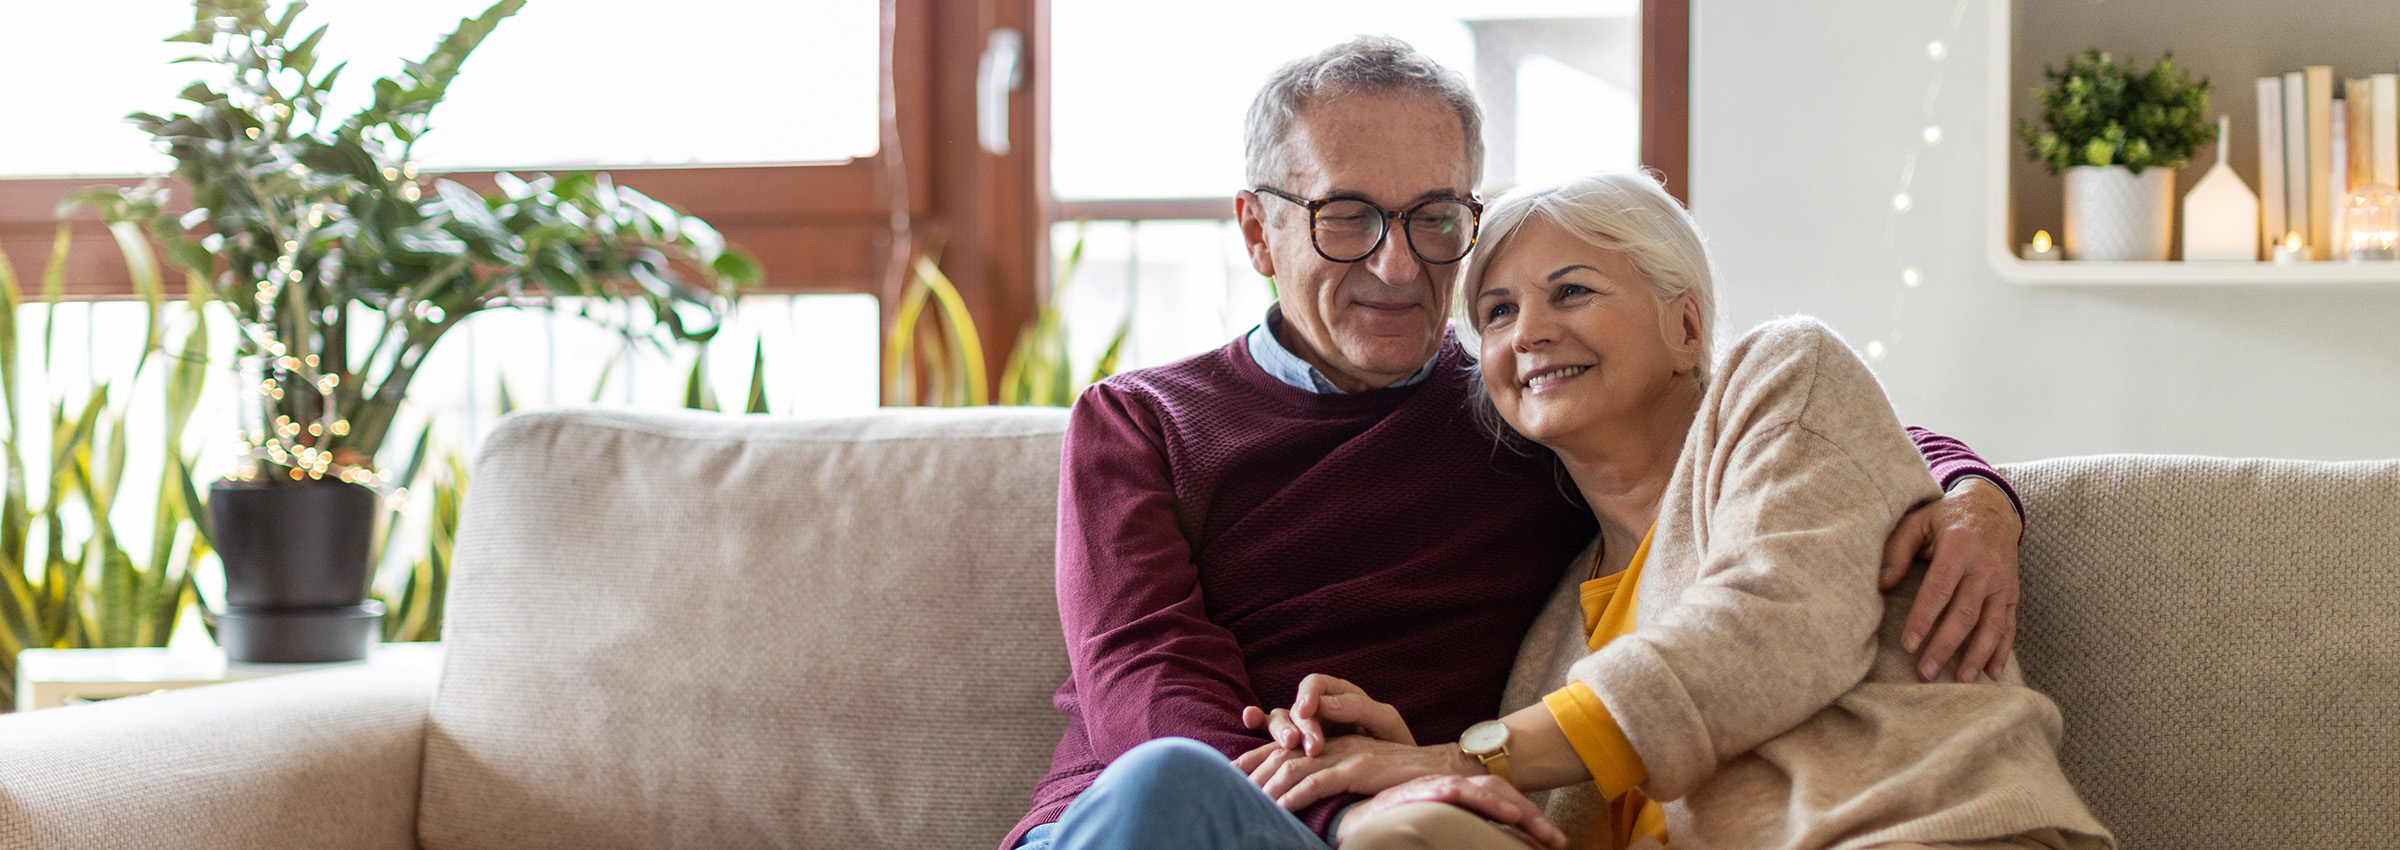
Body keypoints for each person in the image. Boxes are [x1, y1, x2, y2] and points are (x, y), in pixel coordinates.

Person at [1005, 37, 2031, 850]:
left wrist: (1972, 492)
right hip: (1174, 812)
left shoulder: (1520, 402)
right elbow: (1148, 679)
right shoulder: (1141, 420)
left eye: (1435, 218)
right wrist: (1344, 803)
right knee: (1165, 785)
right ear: (1255, 230)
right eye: (1348, 217)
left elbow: (1783, 427)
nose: (1399, 264)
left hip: (1415, 823)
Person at [1238, 171, 2111, 850]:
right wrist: (1422, 774)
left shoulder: (1782, 379)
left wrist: (1463, 754)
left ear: (1686, 328)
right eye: (1497, 312)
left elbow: (1765, 628)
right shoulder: (1552, 637)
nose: (1527, 332)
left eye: (1571, 291)